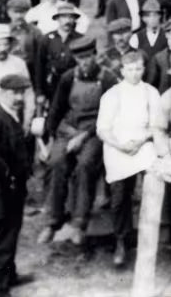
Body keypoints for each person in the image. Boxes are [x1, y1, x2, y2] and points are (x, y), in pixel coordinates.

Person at [39, 37, 112, 246]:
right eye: (80, 59)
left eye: (88, 57)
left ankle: (80, 222)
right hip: (68, 130)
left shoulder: (106, 79)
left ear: (95, 55)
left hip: (94, 132)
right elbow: (56, 110)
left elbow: (109, 115)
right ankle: (53, 220)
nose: (85, 62)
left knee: (85, 165)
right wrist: (51, 138)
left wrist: (84, 136)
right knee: (56, 163)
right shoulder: (68, 78)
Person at [96, 51, 160, 267]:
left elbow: (156, 126)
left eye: (139, 69)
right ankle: (121, 240)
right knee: (120, 194)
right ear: (122, 70)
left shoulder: (151, 92)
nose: (134, 74)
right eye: (130, 69)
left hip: (143, 144)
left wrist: (141, 141)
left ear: (144, 69)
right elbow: (102, 130)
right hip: (117, 146)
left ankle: (149, 238)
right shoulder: (112, 95)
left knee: (153, 183)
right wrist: (120, 145)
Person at [0, 74, 33, 297]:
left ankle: (10, 276)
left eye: (21, 93)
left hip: (15, 188)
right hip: (0, 191)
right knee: (2, 238)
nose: (19, 97)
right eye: (14, 93)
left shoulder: (14, 113)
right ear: (2, 93)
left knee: (12, 232)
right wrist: (6, 171)